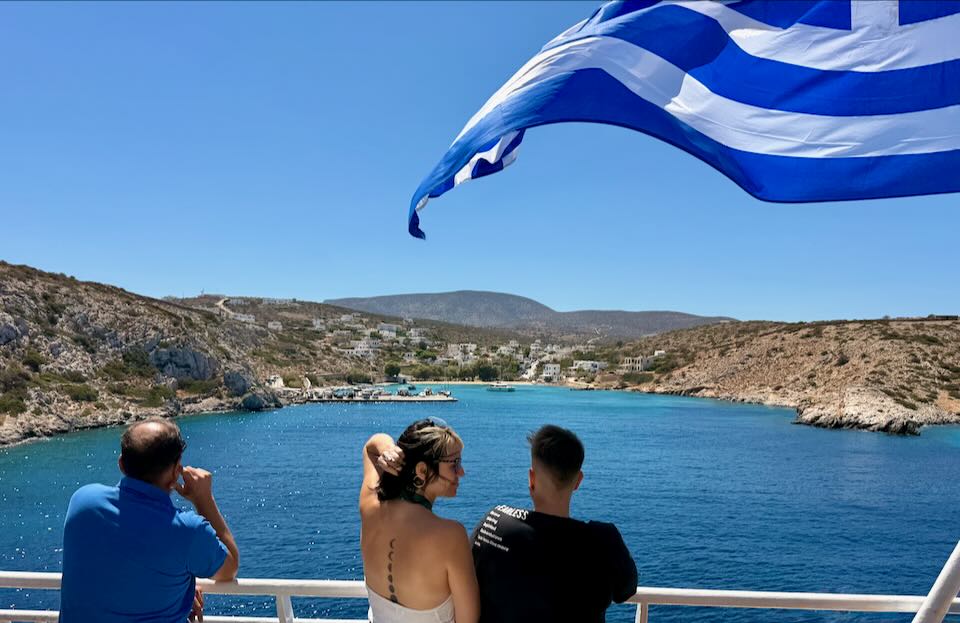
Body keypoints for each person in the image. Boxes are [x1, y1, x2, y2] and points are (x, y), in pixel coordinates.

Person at [60, 417, 240, 622]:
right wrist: (203, 499)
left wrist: (181, 589)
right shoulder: (187, 531)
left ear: (121, 464)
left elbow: (123, 566)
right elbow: (229, 569)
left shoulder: (83, 501)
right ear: (175, 473)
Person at [471, 424, 637, 623]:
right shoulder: (604, 541)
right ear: (578, 481)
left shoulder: (494, 523)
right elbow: (625, 591)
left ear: (531, 479)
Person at [360, 418, 479, 623]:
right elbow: (468, 620)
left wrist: (389, 449)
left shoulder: (369, 505)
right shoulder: (450, 536)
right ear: (422, 470)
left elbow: (371, 448)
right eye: (454, 463)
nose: (462, 472)